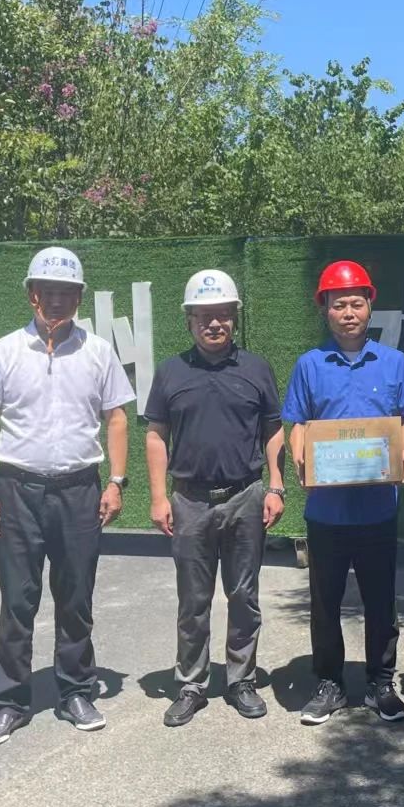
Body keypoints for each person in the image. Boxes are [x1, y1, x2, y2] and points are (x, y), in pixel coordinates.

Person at [0, 246, 134, 747]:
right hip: (17, 490)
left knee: (76, 597)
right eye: (48, 291)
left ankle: (76, 692)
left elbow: (117, 418)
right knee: (18, 600)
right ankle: (10, 702)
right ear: (32, 295)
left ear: (79, 298)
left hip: (80, 490)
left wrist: (116, 482)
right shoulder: (3, 351)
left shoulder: (98, 352)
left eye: (67, 292)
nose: (57, 300)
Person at [283, 260, 404, 725]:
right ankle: (329, 683)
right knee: (324, 603)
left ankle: (381, 683)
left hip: (377, 509)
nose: (348, 312)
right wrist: (300, 456)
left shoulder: (393, 363)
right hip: (326, 512)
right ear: (325, 309)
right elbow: (297, 423)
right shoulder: (310, 365)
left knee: (380, 601)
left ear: (370, 307)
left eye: (356, 303)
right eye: (338, 304)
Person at [145, 269, 286, 727]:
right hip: (189, 500)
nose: (214, 323)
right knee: (193, 599)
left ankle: (241, 679)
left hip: (246, 495)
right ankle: (191, 683)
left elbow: (273, 429)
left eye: (223, 314)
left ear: (234, 318)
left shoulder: (256, 368)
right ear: (188, 320)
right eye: (204, 316)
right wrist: (158, 497)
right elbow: (156, 435)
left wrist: (276, 486)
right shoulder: (170, 371)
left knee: (244, 595)